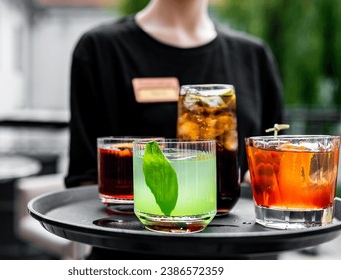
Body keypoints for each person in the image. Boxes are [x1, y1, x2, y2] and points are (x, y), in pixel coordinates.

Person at [65, 0, 284, 188]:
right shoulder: (100, 50)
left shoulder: (254, 56)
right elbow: (84, 179)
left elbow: (277, 164)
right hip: (134, 233)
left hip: (240, 232)